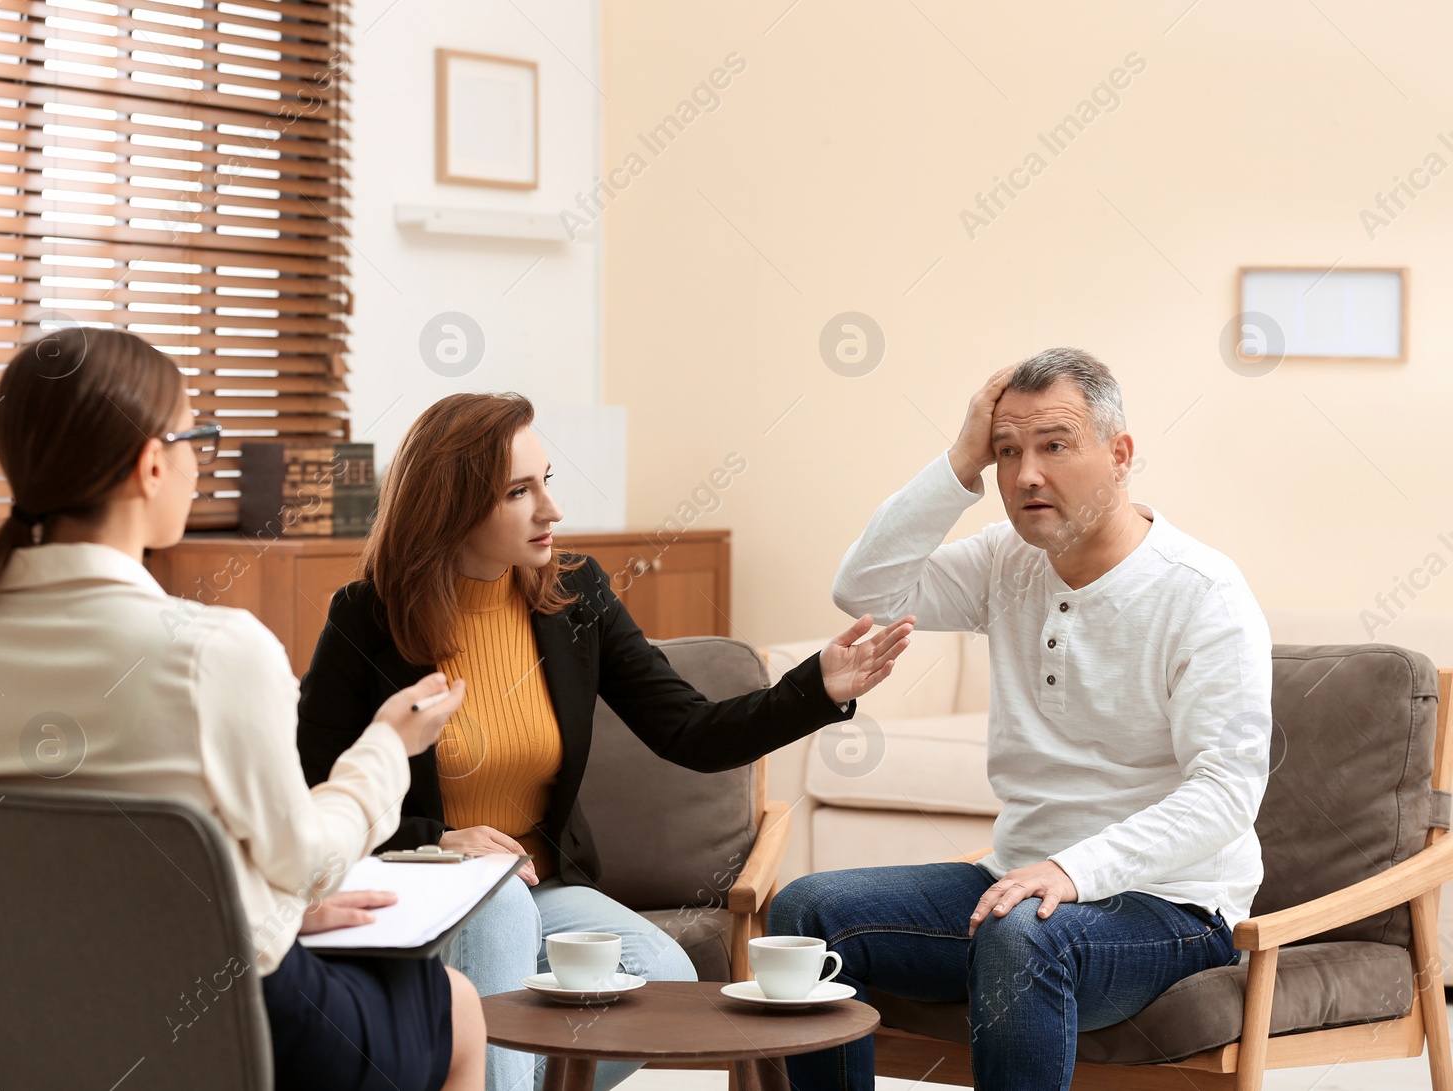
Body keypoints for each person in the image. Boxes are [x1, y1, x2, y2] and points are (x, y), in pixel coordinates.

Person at [0, 328, 485, 1091]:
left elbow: (59, 861)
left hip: (35, 1025)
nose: (197, 461)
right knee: (460, 1008)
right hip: (229, 1027)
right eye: (196, 436)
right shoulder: (211, 651)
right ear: (151, 463)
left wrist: (247, 910)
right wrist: (386, 744)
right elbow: (307, 859)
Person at [296, 391, 916, 1091]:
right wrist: (434, 840)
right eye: (518, 492)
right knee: (494, 900)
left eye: (547, 482)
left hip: (545, 886)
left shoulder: (575, 595)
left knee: (664, 978)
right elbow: (310, 792)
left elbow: (691, 730)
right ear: (454, 506)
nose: (551, 510)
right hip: (424, 892)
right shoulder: (365, 617)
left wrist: (819, 688)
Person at [769, 347, 1273, 1091]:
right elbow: (865, 587)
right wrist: (957, 463)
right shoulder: (1006, 560)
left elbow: (1227, 792)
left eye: (1055, 445)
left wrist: (1074, 870)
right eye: (1008, 451)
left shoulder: (1203, 593)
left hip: (1171, 906)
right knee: (806, 910)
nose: (1027, 473)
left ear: (1121, 454)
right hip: (1012, 884)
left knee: (1021, 933)